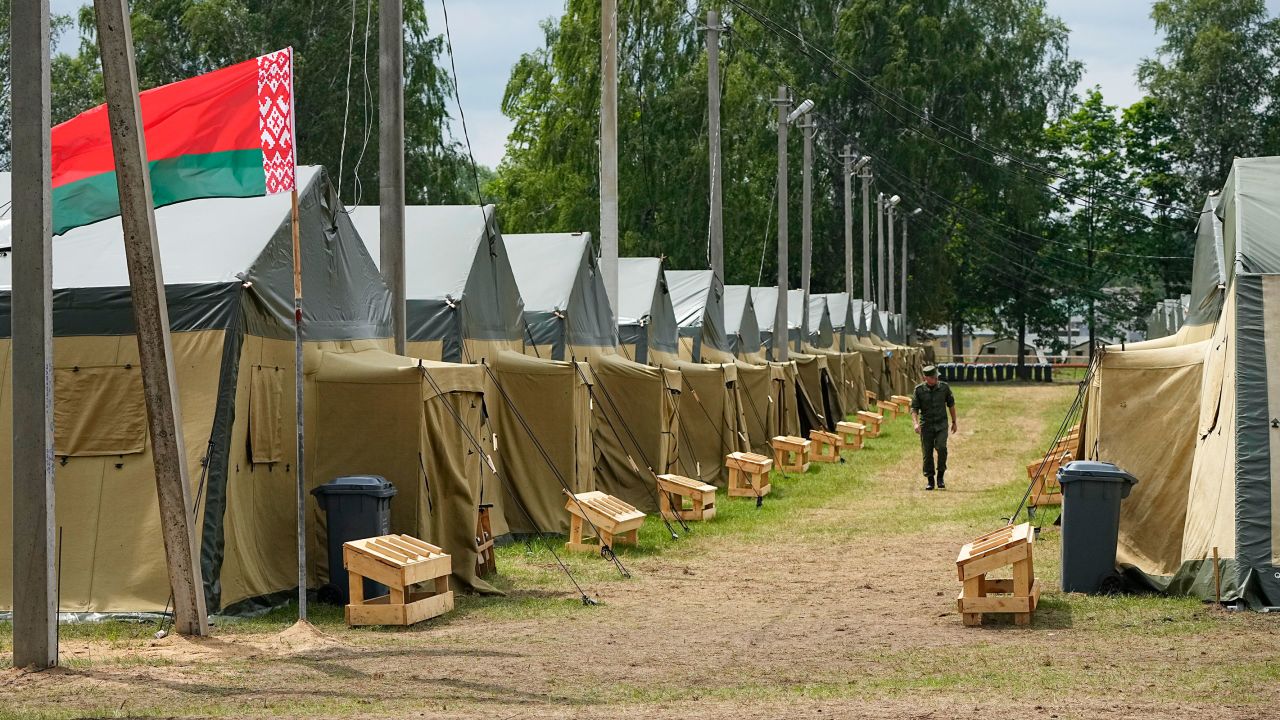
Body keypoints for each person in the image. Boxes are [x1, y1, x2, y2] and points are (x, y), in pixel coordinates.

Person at [912, 365, 957, 490]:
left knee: (941, 448)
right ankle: (930, 480)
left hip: (941, 424)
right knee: (927, 453)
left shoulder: (944, 388)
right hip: (926, 425)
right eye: (933, 377)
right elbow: (914, 408)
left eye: (937, 377)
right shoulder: (919, 390)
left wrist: (954, 421)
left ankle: (940, 476)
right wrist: (915, 423)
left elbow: (951, 404)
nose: (936, 379)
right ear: (925, 378)